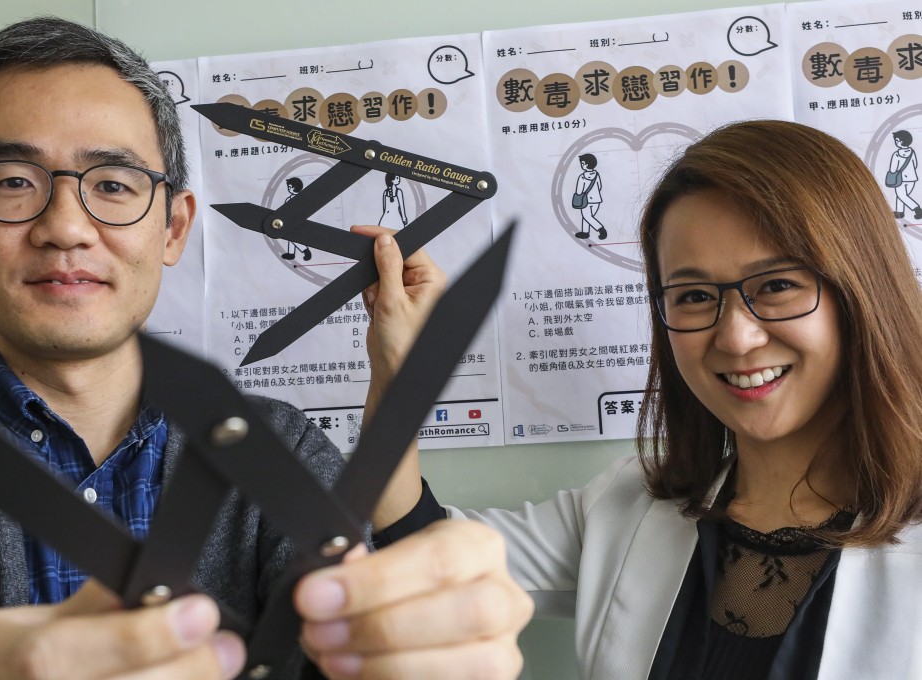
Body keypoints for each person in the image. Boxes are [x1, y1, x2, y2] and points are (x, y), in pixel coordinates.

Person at [0, 16, 531, 680]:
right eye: (12, 182)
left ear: (173, 227)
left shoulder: (277, 447)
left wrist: (419, 647)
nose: (64, 227)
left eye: (112, 184)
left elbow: (348, 647)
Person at [332, 120, 922, 679]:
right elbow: (421, 548)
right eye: (693, 295)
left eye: (776, 286)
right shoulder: (630, 505)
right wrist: (400, 371)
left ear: (860, 291)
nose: (737, 336)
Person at [573, 153, 606, 240]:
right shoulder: (597, 175)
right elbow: (599, 186)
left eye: (583, 163)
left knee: (587, 216)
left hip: (586, 200)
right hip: (596, 200)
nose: (582, 165)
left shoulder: (582, 177)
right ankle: (585, 232)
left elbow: (579, 191)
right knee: (587, 216)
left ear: (587, 164)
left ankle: (601, 229)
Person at [889, 130, 920, 220]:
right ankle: (900, 212)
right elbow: (915, 164)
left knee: (902, 195)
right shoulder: (912, 152)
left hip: (900, 179)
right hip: (912, 178)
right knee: (901, 195)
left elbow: (892, 169)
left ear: (901, 141)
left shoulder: (896, 154)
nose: (896, 142)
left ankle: (917, 209)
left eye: (897, 140)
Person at [281, 176, 312, 261]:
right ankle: (291, 254)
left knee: (292, 237)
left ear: (296, 187)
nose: (288, 189)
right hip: (289, 221)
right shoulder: (289, 199)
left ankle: (305, 250)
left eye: (290, 187)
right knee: (290, 236)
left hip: (297, 222)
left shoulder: (301, 198)